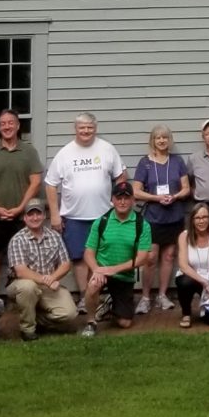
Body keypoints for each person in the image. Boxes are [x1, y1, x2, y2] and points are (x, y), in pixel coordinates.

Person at [43, 113, 125, 290]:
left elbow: (120, 176)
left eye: (90, 127)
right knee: (79, 258)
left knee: (102, 256)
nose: (86, 131)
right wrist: (55, 215)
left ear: (95, 129)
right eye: (82, 127)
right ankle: (84, 295)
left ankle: (99, 296)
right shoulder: (65, 153)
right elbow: (50, 185)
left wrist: (118, 203)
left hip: (104, 215)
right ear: (75, 129)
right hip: (74, 217)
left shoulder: (107, 149)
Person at [134, 125, 194, 315]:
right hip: (153, 217)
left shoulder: (177, 161)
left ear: (170, 140)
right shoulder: (145, 163)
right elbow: (136, 191)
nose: (161, 141)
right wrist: (156, 198)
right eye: (158, 138)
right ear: (153, 140)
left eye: (165, 137)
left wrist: (175, 196)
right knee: (150, 258)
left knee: (169, 256)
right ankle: (145, 297)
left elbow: (186, 188)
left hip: (174, 215)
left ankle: (162, 295)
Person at [80, 179, 151, 334]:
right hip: (101, 271)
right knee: (93, 286)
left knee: (125, 323)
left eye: (126, 198)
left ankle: (110, 304)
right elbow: (88, 252)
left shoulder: (142, 224)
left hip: (124, 276)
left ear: (133, 200)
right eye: (119, 198)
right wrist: (97, 269)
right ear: (112, 200)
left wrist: (114, 269)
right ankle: (91, 322)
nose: (122, 202)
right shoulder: (101, 222)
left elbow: (142, 258)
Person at [2, 200, 79, 341]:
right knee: (28, 287)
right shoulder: (17, 240)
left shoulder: (55, 237)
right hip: (21, 285)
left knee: (70, 314)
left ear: (44, 216)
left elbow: (65, 264)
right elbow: (21, 271)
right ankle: (28, 330)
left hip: (48, 285)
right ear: (25, 218)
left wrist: (53, 278)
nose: (35, 218)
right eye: (31, 214)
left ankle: (33, 318)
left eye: (38, 214)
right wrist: (47, 279)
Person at [0, 108, 45, 267]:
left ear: (18, 125)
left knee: (25, 258)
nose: (6, 127)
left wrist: (21, 208)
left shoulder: (29, 151)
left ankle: (25, 290)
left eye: (10, 123)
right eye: (2, 124)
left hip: (23, 218)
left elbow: (35, 182)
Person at [171, 201, 209, 328]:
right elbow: (183, 265)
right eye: (197, 218)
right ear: (192, 220)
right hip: (193, 278)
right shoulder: (184, 236)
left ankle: (208, 309)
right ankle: (186, 313)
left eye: (204, 217)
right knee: (184, 282)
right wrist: (204, 282)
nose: (201, 221)